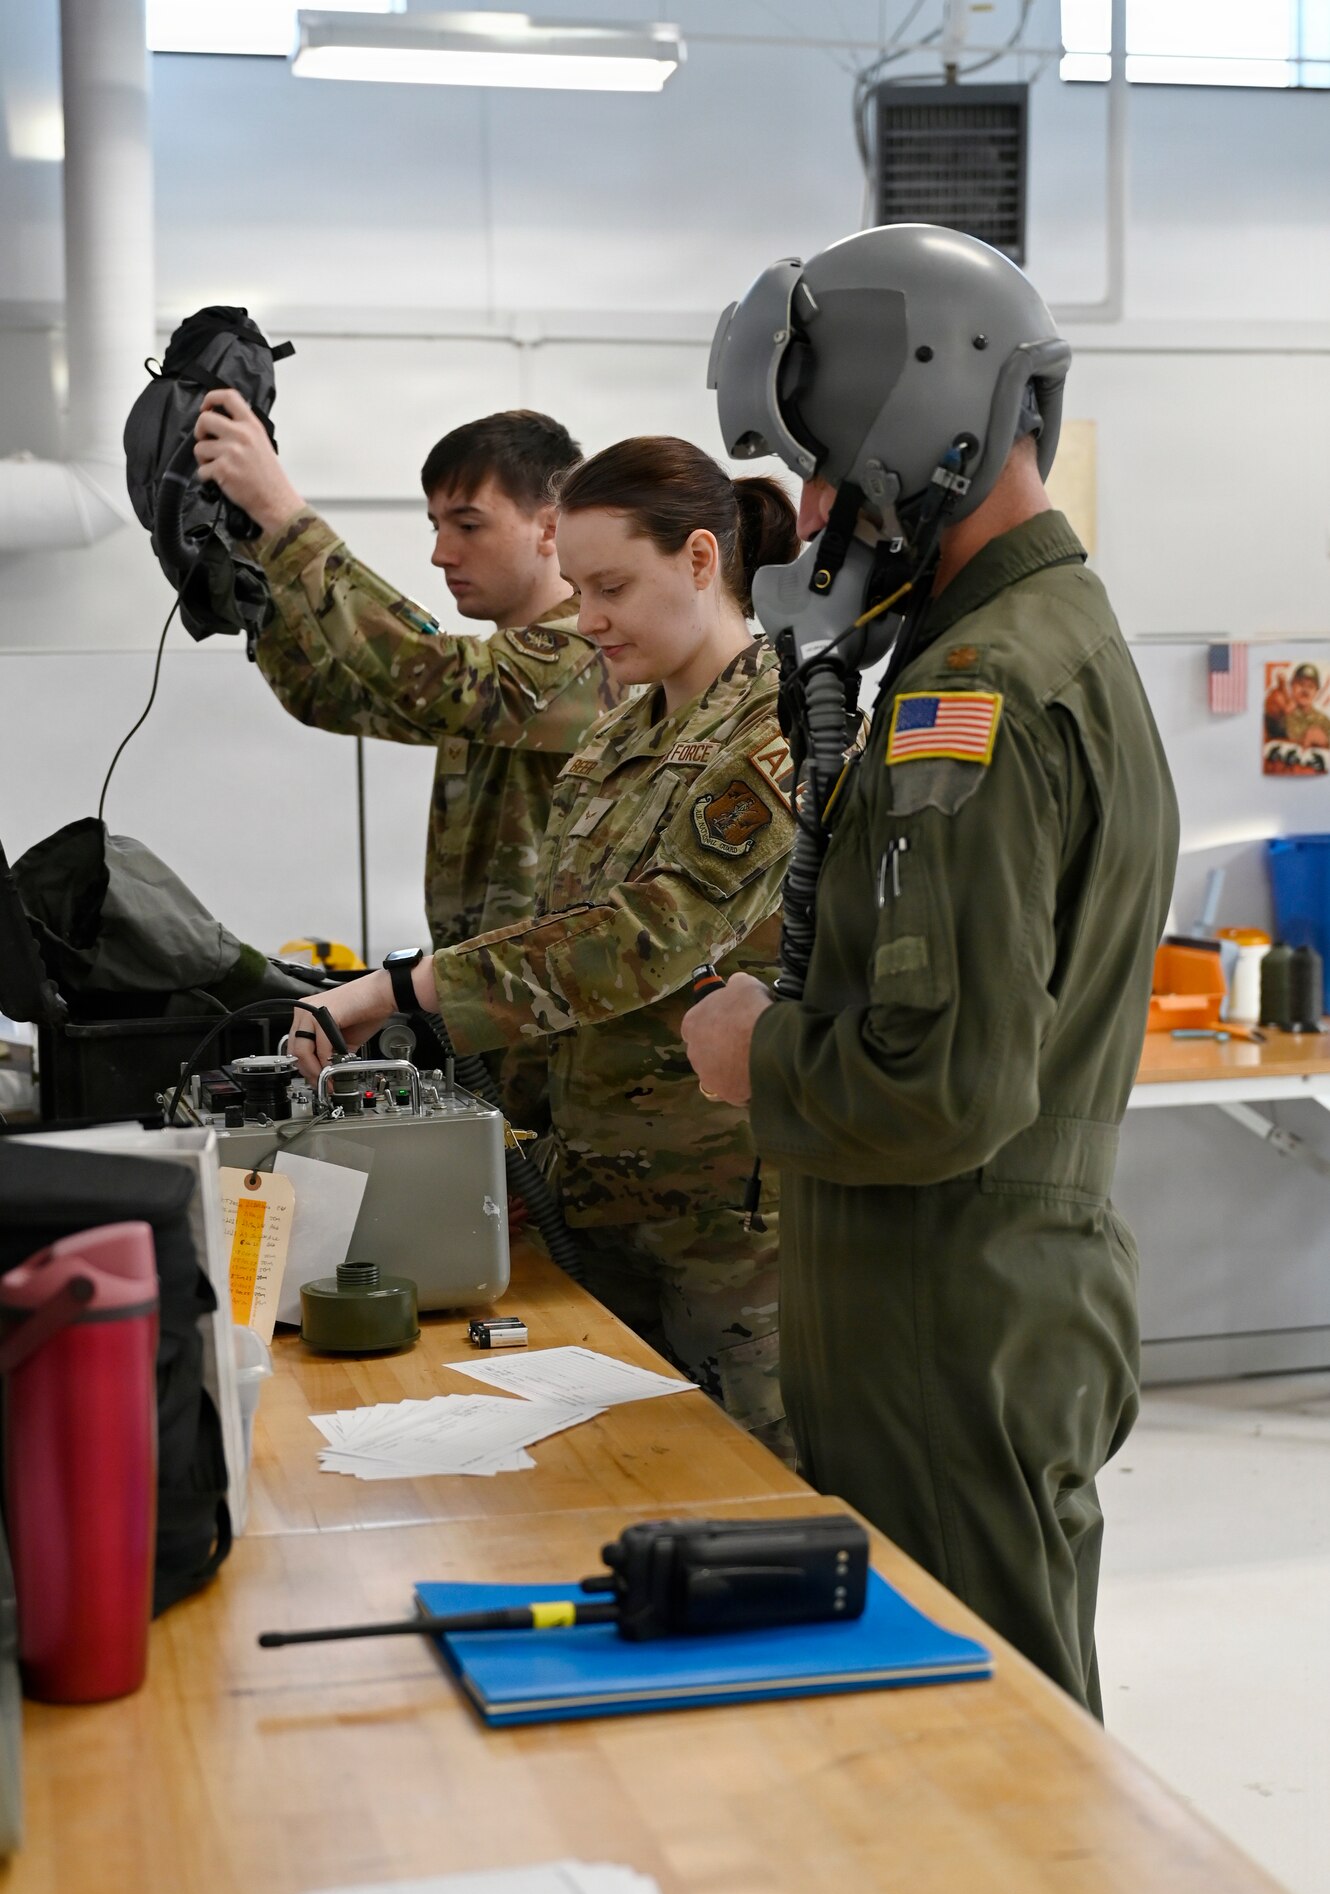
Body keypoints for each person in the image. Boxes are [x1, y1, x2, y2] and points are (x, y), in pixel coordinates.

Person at [682, 224, 1180, 1711]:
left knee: (997, 1760)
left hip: (944, 1321)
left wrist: (749, 1056)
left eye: (820, 472)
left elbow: (945, 1089)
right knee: (951, 1759)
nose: (819, 516)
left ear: (912, 420)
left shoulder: (973, 695)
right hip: (961, 1303)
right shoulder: (1033, 643)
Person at [287, 437, 801, 1451]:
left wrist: (399, 990)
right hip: (592, 1191)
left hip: (718, 1223)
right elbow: (553, 926)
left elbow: (640, 938)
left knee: (742, 1487)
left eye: (611, 586)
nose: (589, 618)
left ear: (702, 560)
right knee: (603, 1480)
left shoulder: (774, 730)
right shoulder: (619, 730)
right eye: (578, 588)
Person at [192, 399, 616, 949]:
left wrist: (282, 516)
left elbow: (439, 678)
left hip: (552, 1019)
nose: (442, 553)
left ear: (549, 527)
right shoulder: (505, 671)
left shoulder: (590, 652)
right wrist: (253, 561)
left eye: (468, 524)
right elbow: (327, 694)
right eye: (436, 526)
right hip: (488, 1006)